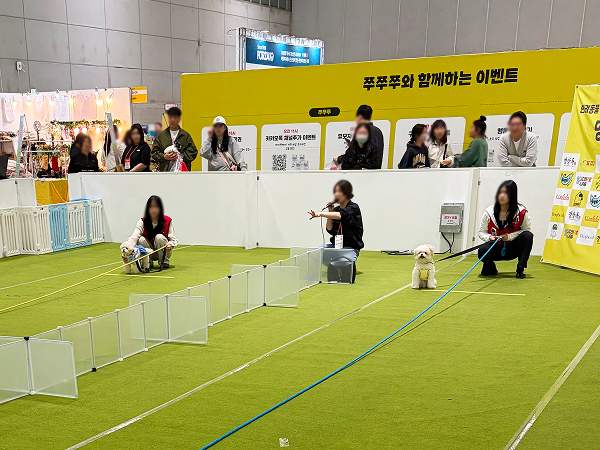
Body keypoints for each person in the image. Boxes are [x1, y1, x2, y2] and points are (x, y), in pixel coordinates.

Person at [477, 180, 533, 279]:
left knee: (528, 236)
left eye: (506, 193)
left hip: (512, 248)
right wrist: (490, 237)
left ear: (512, 195)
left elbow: (526, 231)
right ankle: (490, 267)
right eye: (500, 192)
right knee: (482, 251)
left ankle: (520, 269)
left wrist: (509, 237)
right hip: (496, 247)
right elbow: (481, 232)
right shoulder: (488, 212)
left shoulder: (522, 212)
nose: (502, 196)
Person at [307, 179, 363, 263]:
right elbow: (330, 229)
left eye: (339, 192)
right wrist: (330, 212)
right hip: (336, 247)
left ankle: (343, 266)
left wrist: (320, 214)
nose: (336, 194)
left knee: (343, 262)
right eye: (335, 192)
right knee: (314, 253)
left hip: (350, 248)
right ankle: (333, 267)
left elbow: (340, 215)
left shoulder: (353, 207)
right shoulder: (336, 210)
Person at [124, 195, 177, 269]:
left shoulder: (167, 220)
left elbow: (173, 240)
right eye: (151, 207)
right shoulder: (142, 221)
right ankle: (148, 262)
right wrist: (126, 250)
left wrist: (169, 245)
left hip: (164, 251)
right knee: (140, 239)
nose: (153, 210)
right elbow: (134, 238)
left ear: (160, 208)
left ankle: (164, 261)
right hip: (148, 251)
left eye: (156, 207)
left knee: (159, 237)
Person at [151, 107, 197, 171]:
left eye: (175, 118)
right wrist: (164, 157)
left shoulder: (185, 136)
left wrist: (180, 156)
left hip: (182, 172)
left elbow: (193, 152)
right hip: (165, 172)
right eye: (170, 117)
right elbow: (154, 152)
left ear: (179, 119)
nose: (172, 120)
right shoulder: (161, 136)